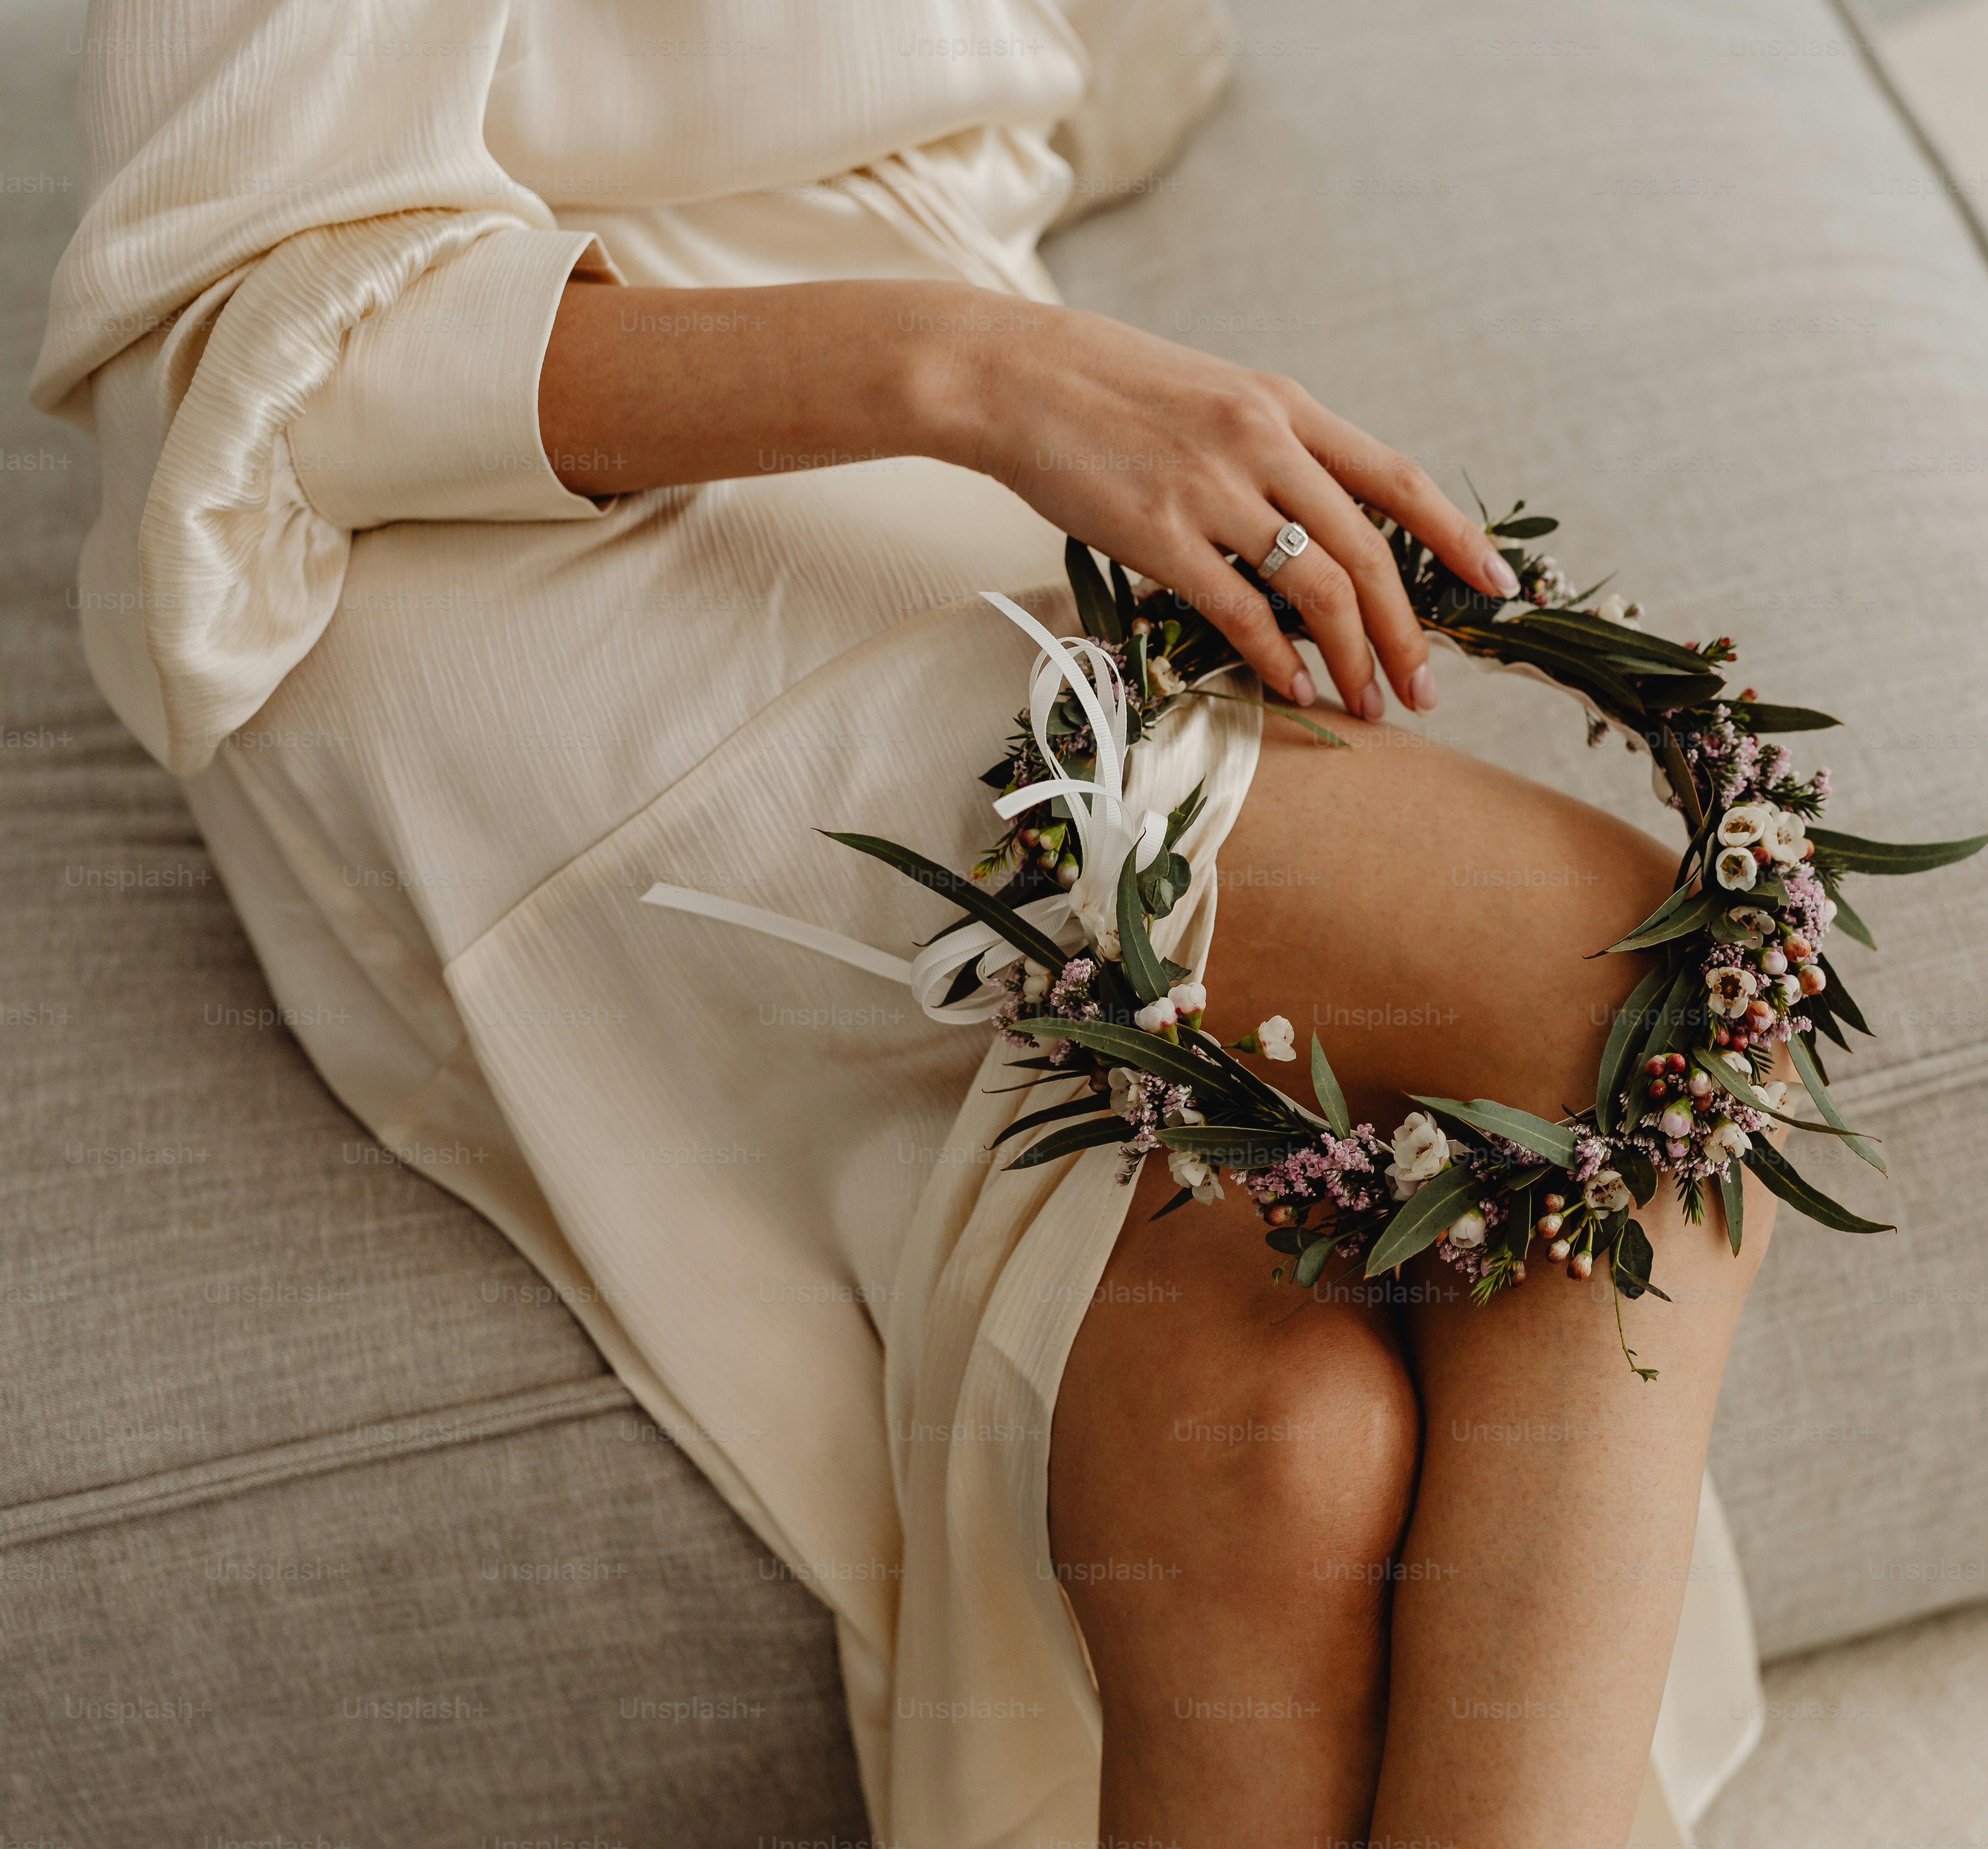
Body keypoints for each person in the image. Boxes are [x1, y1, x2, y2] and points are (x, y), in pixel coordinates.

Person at [35, 3, 1767, 1842]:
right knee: (1643, 984)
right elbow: (232, 351)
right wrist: (977, 369)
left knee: (1269, 1441)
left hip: (940, 474)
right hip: (525, 544)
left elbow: (1070, 70)